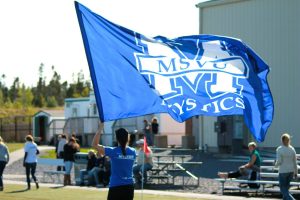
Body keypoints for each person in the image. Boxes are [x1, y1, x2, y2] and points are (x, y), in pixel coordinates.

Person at [92, 122, 136, 200]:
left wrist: (100, 129)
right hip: (129, 187)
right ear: (127, 138)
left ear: (117, 139)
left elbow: (94, 145)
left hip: (116, 186)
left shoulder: (113, 151)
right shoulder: (133, 151)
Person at [275, 133, 297, 200]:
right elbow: (295, 162)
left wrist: (275, 165)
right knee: (286, 190)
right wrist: (296, 172)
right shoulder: (292, 149)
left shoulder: (279, 149)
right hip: (291, 171)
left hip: (283, 171)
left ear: (282, 140)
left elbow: (279, 161)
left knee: (283, 189)